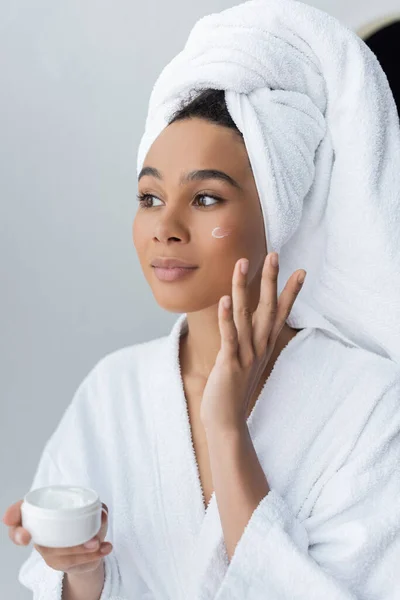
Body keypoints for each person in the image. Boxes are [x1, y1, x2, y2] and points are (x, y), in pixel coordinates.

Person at [4, 1, 400, 598]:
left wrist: (227, 431)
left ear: (279, 212)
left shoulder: (370, 402)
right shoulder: (113, 393)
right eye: (149, 197)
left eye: (207, 198)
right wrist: (83, 573)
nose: (166, 226)